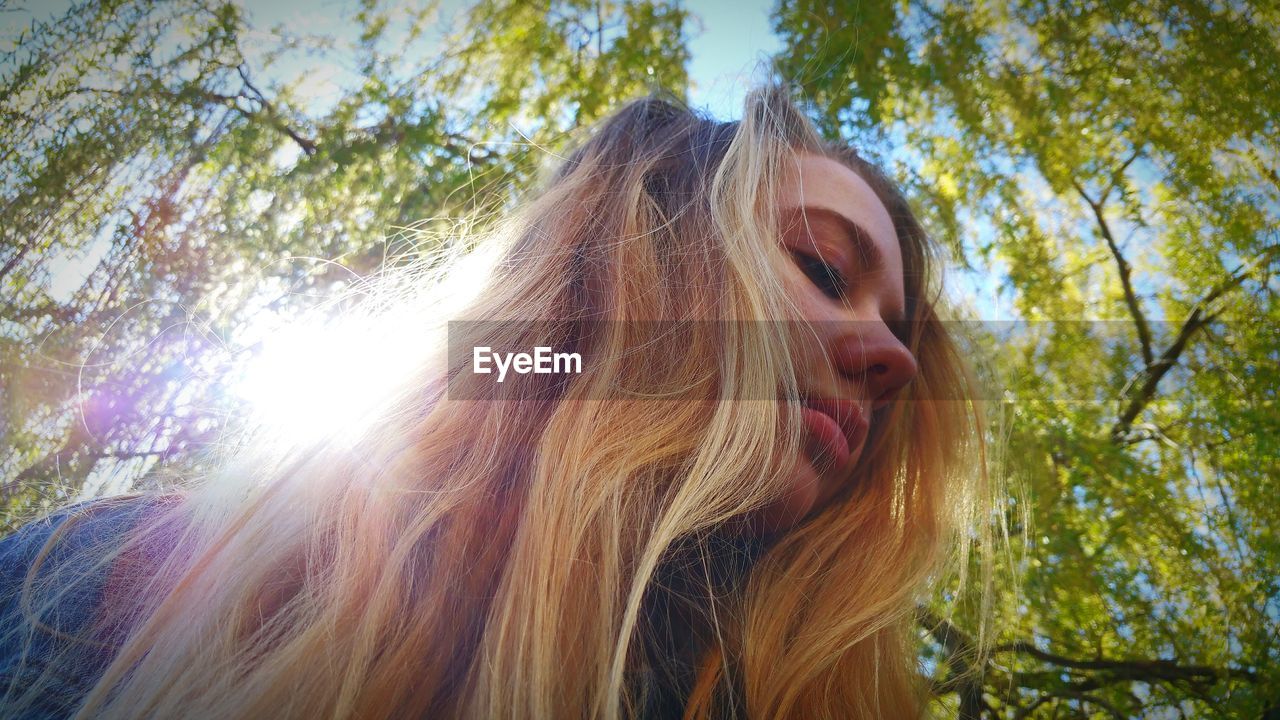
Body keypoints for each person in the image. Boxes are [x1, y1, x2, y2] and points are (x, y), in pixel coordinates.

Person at [0, 84, 996, 719]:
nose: (890, 364)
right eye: (822, 267)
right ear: (631, 264)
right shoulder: (101, 593)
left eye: (898, 328)